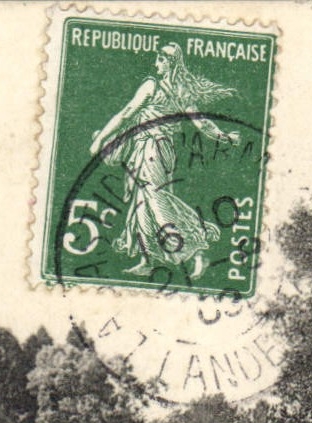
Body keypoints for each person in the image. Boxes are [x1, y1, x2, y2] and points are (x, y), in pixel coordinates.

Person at [89, 44, 239, 279]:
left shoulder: (152, 85)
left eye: (159, 60)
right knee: (142, 204)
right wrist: (224, 136)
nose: (156, 64)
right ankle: (148, 258)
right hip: (161, 151)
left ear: (168, 62)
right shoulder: (181, 91)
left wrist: (100, 138)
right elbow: (202, 123)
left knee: (157, 201)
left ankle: (195, 250)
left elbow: (126, 112)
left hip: (151, 149)